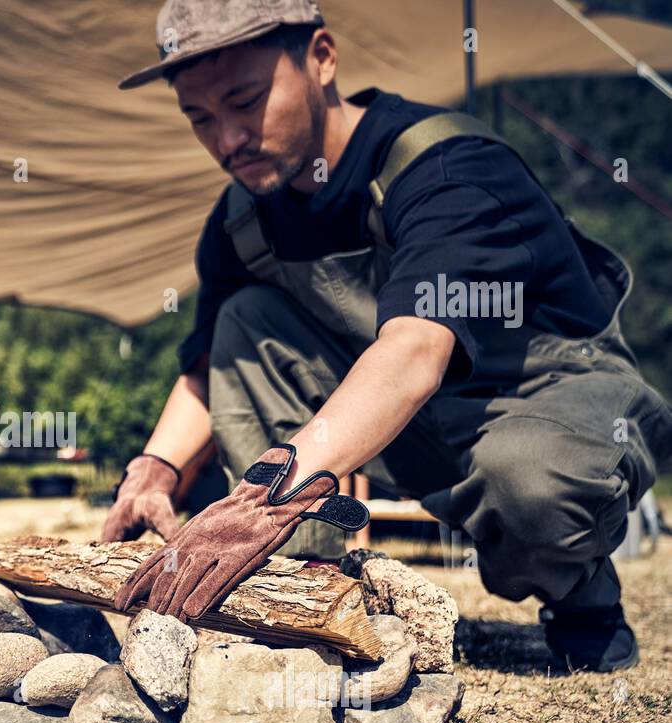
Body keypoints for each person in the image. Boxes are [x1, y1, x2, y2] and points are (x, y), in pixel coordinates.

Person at [101, 0, 672, 672]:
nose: (227, 140)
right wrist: (154, 469)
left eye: (245, 101)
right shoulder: (241, 223)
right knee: (242, 316)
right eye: (199, 118)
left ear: (322, 58)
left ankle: (582, 594)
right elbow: (208, 366)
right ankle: (307, 581)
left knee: (532, 484)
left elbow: (413, 352)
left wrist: (263, 496)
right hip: (403, 420)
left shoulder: (447, 169)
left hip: (544, 403)